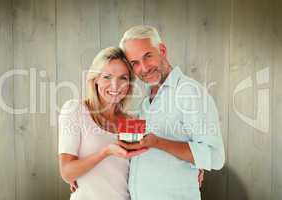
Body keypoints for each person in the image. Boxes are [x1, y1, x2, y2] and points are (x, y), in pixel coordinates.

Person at [117, 25, 225, 200]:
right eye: (134, 63)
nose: (144, 68)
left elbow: (215, 156)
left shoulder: (190, 92)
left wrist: (159, 142)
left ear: (162, 50)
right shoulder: (144, 100)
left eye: (148, 56)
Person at [58, 47, 146, 200]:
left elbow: (143, 167)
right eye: (107, 77)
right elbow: (67, 172)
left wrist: (194, 167)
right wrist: (105, 152)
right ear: (96, 79)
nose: (115, 85)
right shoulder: (76, 110)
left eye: (123, 78)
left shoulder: (132, 121)